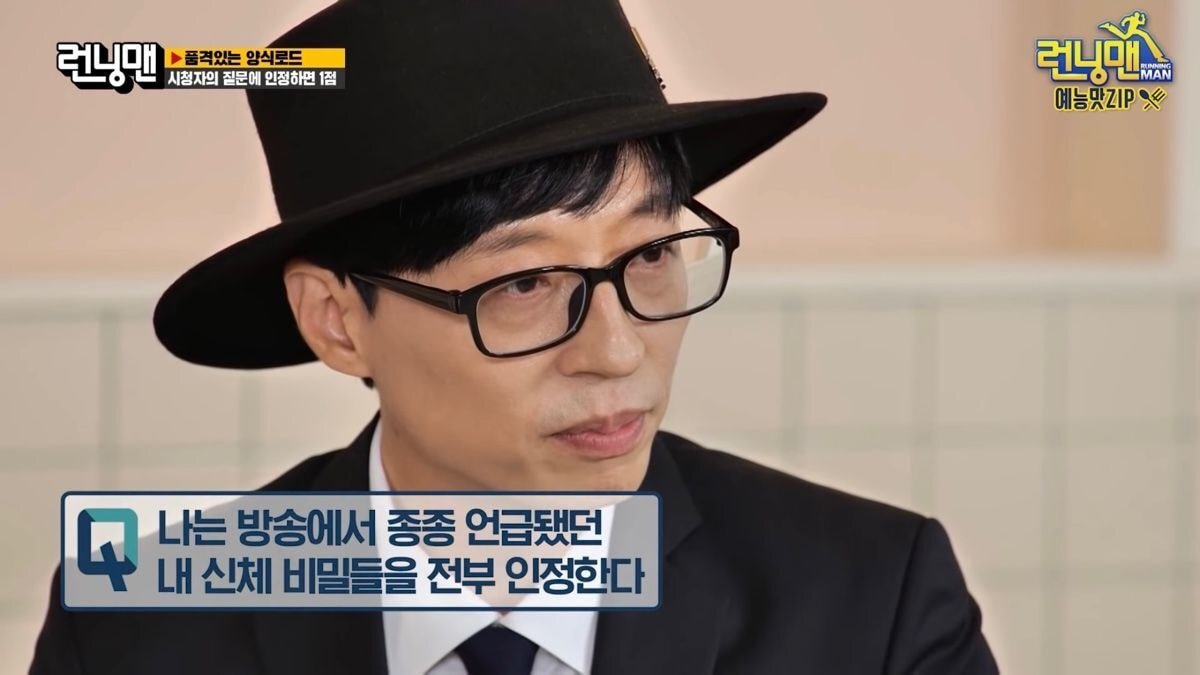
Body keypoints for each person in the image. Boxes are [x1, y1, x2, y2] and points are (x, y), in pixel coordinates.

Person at [31, 0, 999, 673]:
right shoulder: (140, 629)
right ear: (337, 319)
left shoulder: (868, 601)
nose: (617, 352)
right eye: (527, 283)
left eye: (651, 256)